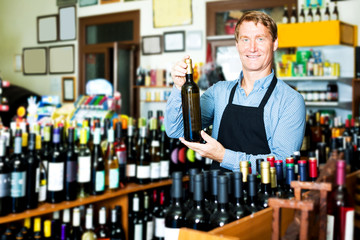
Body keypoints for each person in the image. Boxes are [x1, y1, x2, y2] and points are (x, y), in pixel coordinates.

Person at [164, 11, 306, 173]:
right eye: (245, 39)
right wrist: (178, 87)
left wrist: (223, 156)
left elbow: (281, 164)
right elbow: (176, 130)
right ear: (237, 45)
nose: (252, 48)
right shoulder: (219, 92)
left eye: (260, 39)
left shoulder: (290, 100)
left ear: (274, 44)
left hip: (265, 195)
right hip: (217, 194)